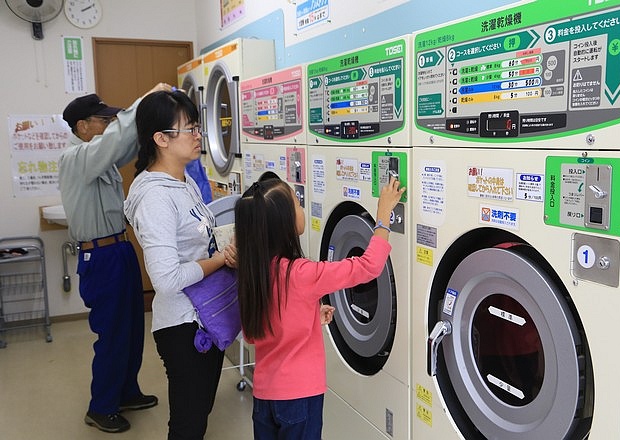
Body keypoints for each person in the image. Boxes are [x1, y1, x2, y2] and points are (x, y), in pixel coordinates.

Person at [234, 176, 405, 439]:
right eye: (297, 202)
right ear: (285, 223)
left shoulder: (253, 272)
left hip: (265, 395)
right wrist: (382, 218)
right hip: (300, 396)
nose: (302, 207)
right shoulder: (301, 273)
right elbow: (368, 267)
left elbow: (255, 333)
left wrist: (309, 314)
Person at [123, 90, 238, 440]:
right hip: (184, 327)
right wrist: (219, 259)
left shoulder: (183, 181)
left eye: (197, 127)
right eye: (189, 128)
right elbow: (167, 278)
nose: (198, 135)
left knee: (198, 412)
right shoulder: (156, 197)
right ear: (161, 139)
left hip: (204, 317)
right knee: (188, 424)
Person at [59, 84, 170, 433]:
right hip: (100, 257)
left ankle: (126, 391)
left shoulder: (97, 158)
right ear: (82, 126)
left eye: (110, 120)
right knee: (111, 333)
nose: (108, 125)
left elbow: (123, 146)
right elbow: (112, 144)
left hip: (119, 249)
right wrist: (145, 99)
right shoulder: (76, 159)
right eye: (102, 119)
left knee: (132, 327)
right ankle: (102, 405)